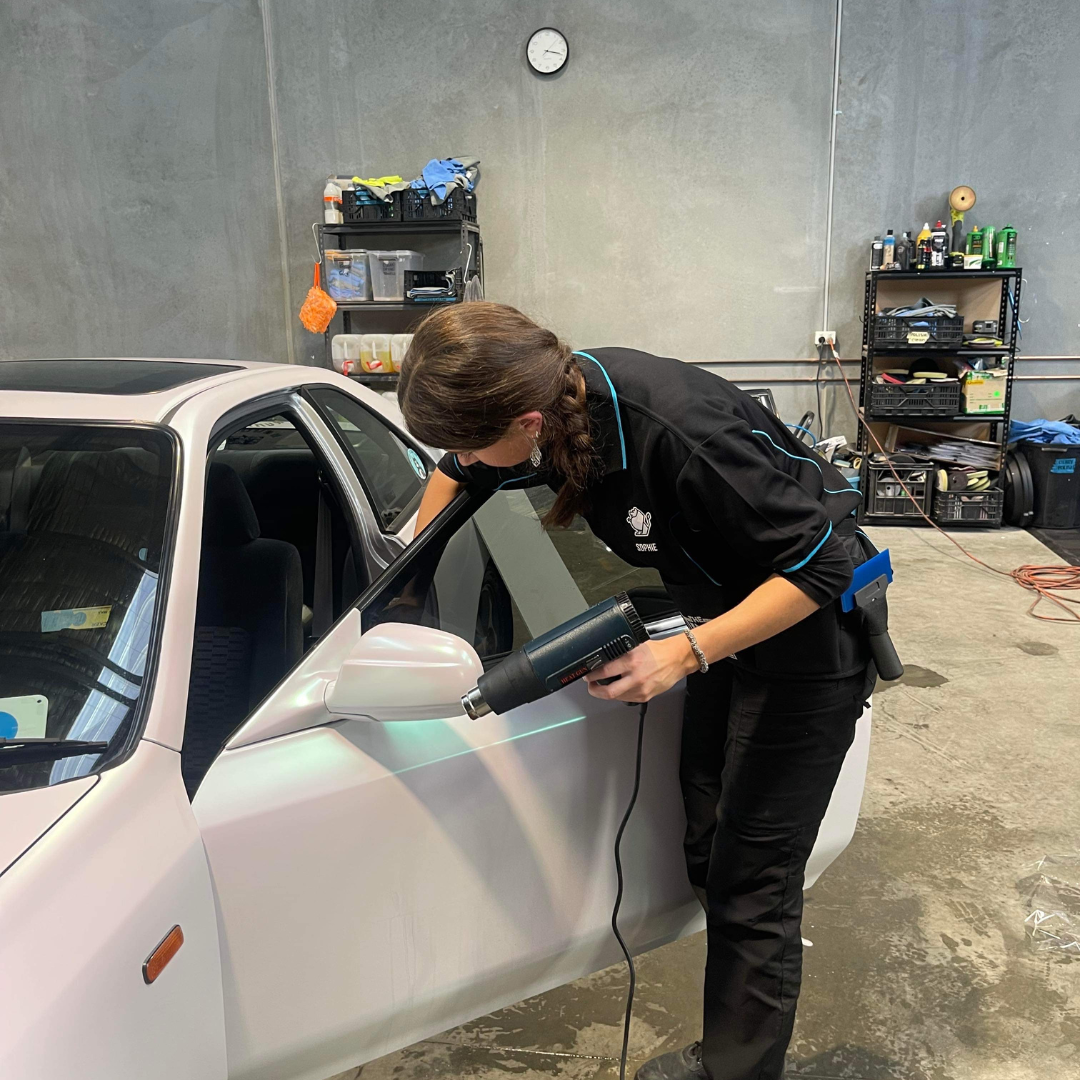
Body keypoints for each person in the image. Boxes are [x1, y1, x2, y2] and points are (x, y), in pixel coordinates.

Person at [397, 302, 876, 1080]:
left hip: (807, 631)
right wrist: (404, 594)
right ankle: (734, 1043)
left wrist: (686, 653)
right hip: (722, 611)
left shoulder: (680, 434)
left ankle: (738, 1071)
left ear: (526, 423)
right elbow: (456, 473)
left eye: (474, 442)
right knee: (709, 841)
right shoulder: (543, 407)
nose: (466, 457)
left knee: (753, 879)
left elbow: (825, 563)